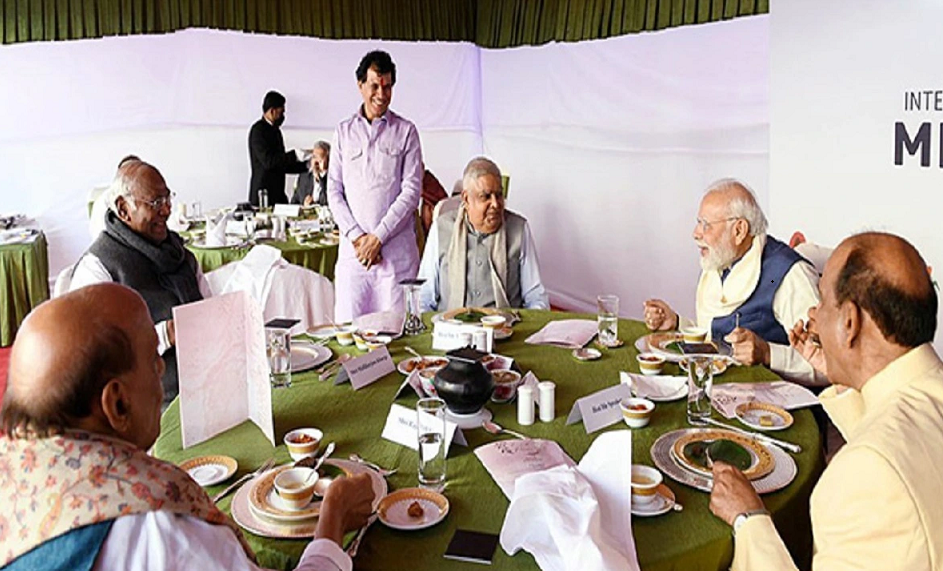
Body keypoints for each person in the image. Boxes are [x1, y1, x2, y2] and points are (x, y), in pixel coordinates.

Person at [0, 283, 375, 570]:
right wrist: (333, 520)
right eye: (153, 358)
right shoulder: (159, 531)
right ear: (117, 403)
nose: (162, 368)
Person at [709, 232, 943, 571]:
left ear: (849, 323)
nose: (813, 317)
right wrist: (839, 371)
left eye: (821, 301)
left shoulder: (863, 471)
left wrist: (749, 519)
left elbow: (885, 455)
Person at [643, 178, 824, 386]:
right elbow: (720, 339)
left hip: (781, 408)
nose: (696, 233)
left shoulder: (789, 274)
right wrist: (677, 324)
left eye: (706, 225)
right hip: (726, 393)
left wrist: (767, 353)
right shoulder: (723, 262)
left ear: (738, 230)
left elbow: (831, 366)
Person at [70, 159, 211, 405]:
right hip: (148, 409)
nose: (167, 210)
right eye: (156, 203)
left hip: (209, 386)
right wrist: (164, 334)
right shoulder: (99, 267)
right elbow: (92, 355)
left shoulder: (181, 255)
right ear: (123, 209)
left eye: (168, 199)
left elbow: (211, 310)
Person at [328, 50, 423, 321]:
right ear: (360, 86)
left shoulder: (407, 131)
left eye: (387, 86)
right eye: (374, 86)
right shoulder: (343, 132)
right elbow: (333, 191)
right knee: (349, 338)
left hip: (396, 261)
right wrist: (359, 238)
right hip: (353, 259)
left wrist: (378, 237)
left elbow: (411, 191)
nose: (381, 93)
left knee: (398, 341)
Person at [417, 157, 548, 312]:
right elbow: (424, 297)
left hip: (506, 331)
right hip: (451, 331)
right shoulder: (442, 229)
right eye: (485, 196)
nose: (495, 204)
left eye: (499, 195)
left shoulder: (518, 229)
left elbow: (536, 298)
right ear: (466, 198)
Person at [248, 90, 308, 206]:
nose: (283, 116)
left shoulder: (276, 131)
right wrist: (295, 155)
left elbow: (282, 164)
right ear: (272, 111)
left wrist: (306, 165)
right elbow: (269, 162)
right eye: (281, 112)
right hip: (263, 197)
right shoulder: (258, 131)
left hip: (278, 195)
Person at [293, 141, 331, 207]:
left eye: (320, 159)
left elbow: (330, 202)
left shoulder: (334, 179)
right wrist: (304, 207)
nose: (315, 162)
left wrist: (320, 179)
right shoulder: (303, 177)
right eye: (314, 157)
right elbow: (294, 203)